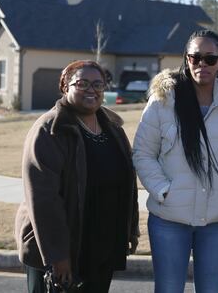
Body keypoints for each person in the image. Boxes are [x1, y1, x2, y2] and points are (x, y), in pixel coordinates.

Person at [133, 29, 218, 293]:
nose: (202, 64)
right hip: (169, 219)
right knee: (169, 289)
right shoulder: (162, 101)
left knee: (211, 289)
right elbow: (143, 153)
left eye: (210, 58)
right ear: (186, 59)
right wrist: (163, 190)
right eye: (195, 58)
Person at [15, 60, 140, 293]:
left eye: (98, 84)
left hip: (100, 246)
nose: (91, 90)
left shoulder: (114, 130)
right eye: (81, 83)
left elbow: (127, 185)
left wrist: (129, 230)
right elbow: (43, 201)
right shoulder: (51, 130)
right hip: (60, 250)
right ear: (65, 86)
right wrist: (58, 256)